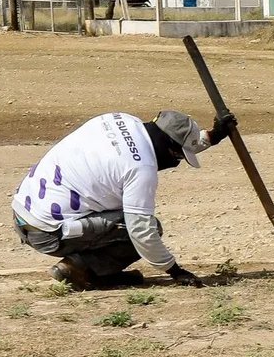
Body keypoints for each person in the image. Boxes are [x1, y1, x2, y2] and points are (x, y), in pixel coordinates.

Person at [11, 109, 224, 289]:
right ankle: (78, 269)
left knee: (124, 213)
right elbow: (141, 231)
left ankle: (98, 272)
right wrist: (175, 271)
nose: (176, 163)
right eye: (178, 156)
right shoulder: (141, 168)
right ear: (169, 147)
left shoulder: (118, 120)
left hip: (24, 212)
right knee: (145, 227)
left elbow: (167, 140)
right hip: (48, 232)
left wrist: (213, 136)